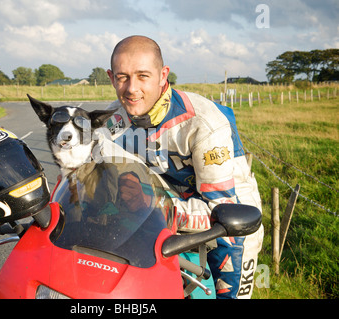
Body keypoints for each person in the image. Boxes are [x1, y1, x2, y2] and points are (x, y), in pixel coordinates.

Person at [104, 35, 264, 299]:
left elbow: (219, 214)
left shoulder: (203, 123)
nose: (131, 88)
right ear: (111, 78)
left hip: (231, 223)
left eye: (143, 76)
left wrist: (150, 206)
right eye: (122, 77)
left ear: (162, 75)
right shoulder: (113, 119)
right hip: (163, 217)